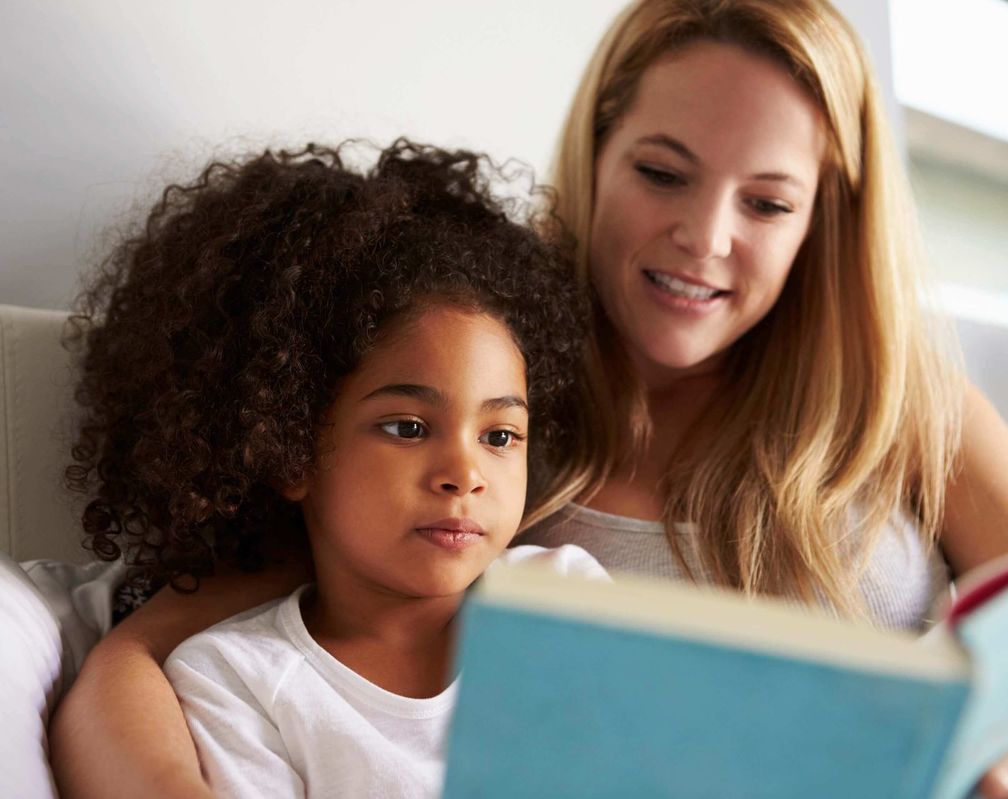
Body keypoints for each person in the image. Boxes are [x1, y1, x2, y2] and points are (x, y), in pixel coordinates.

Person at [51, 1, 1008, 797]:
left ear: (824, 220)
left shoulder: (900, 403)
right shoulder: (481, 407)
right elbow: (146, 655)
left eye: (768, 203)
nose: (703, 240)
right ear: (595, 154)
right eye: (662, 173)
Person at [56, 140, 607, 798]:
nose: (465, 472)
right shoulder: (238, 679)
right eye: (407, 427)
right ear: (289, 449)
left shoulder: (568, 602)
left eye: (499, 434)